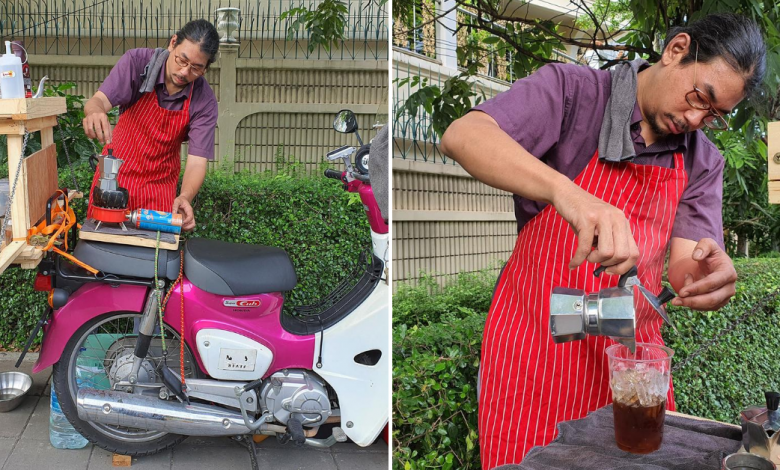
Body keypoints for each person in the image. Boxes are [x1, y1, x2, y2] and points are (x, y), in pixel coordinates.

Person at [439, 13, 766, 469]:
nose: (695, 118)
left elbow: (684, 269)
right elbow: (463, 135)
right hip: (536, 353)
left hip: (631, 367)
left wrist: (712, 276)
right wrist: (567, 193)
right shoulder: (574, 93)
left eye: (714, 115)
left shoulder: (702, 160)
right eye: (698, 97)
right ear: (676, 50)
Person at [82, 19, 219, 231]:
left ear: (206, 69)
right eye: (182, 60)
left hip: (160, 192)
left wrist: (184, 196)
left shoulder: (204, 100)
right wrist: (94, 112)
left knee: (154, 260)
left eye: (196, 68)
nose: (184, 72)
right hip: (114, 185)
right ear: (173, 43)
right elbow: (97, 101)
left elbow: (197, 162)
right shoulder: (137, 63)